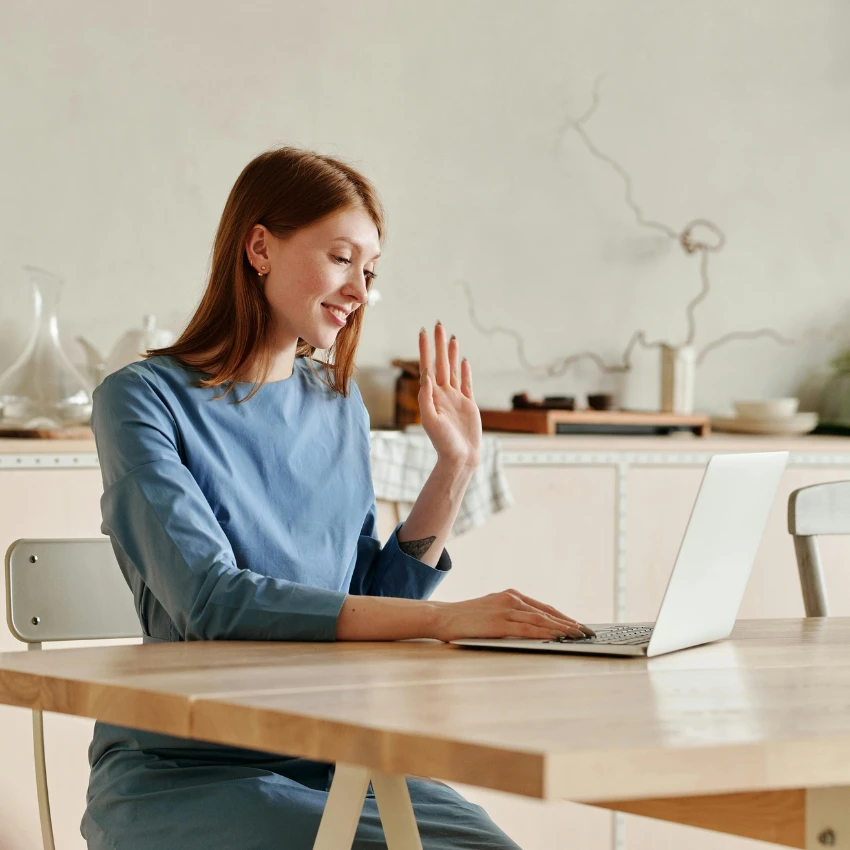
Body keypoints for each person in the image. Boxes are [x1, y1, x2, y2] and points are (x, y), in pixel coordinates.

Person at [82, 146, 593, 850]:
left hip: (341, 754)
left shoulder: (338, 403)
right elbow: (210, 601)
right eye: (342, 258)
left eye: (371, 271)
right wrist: (446, 617)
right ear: (259, 247)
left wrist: (454, 468)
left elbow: (364, 599)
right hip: (191, 766)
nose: (359, 288)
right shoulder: (141, 401)